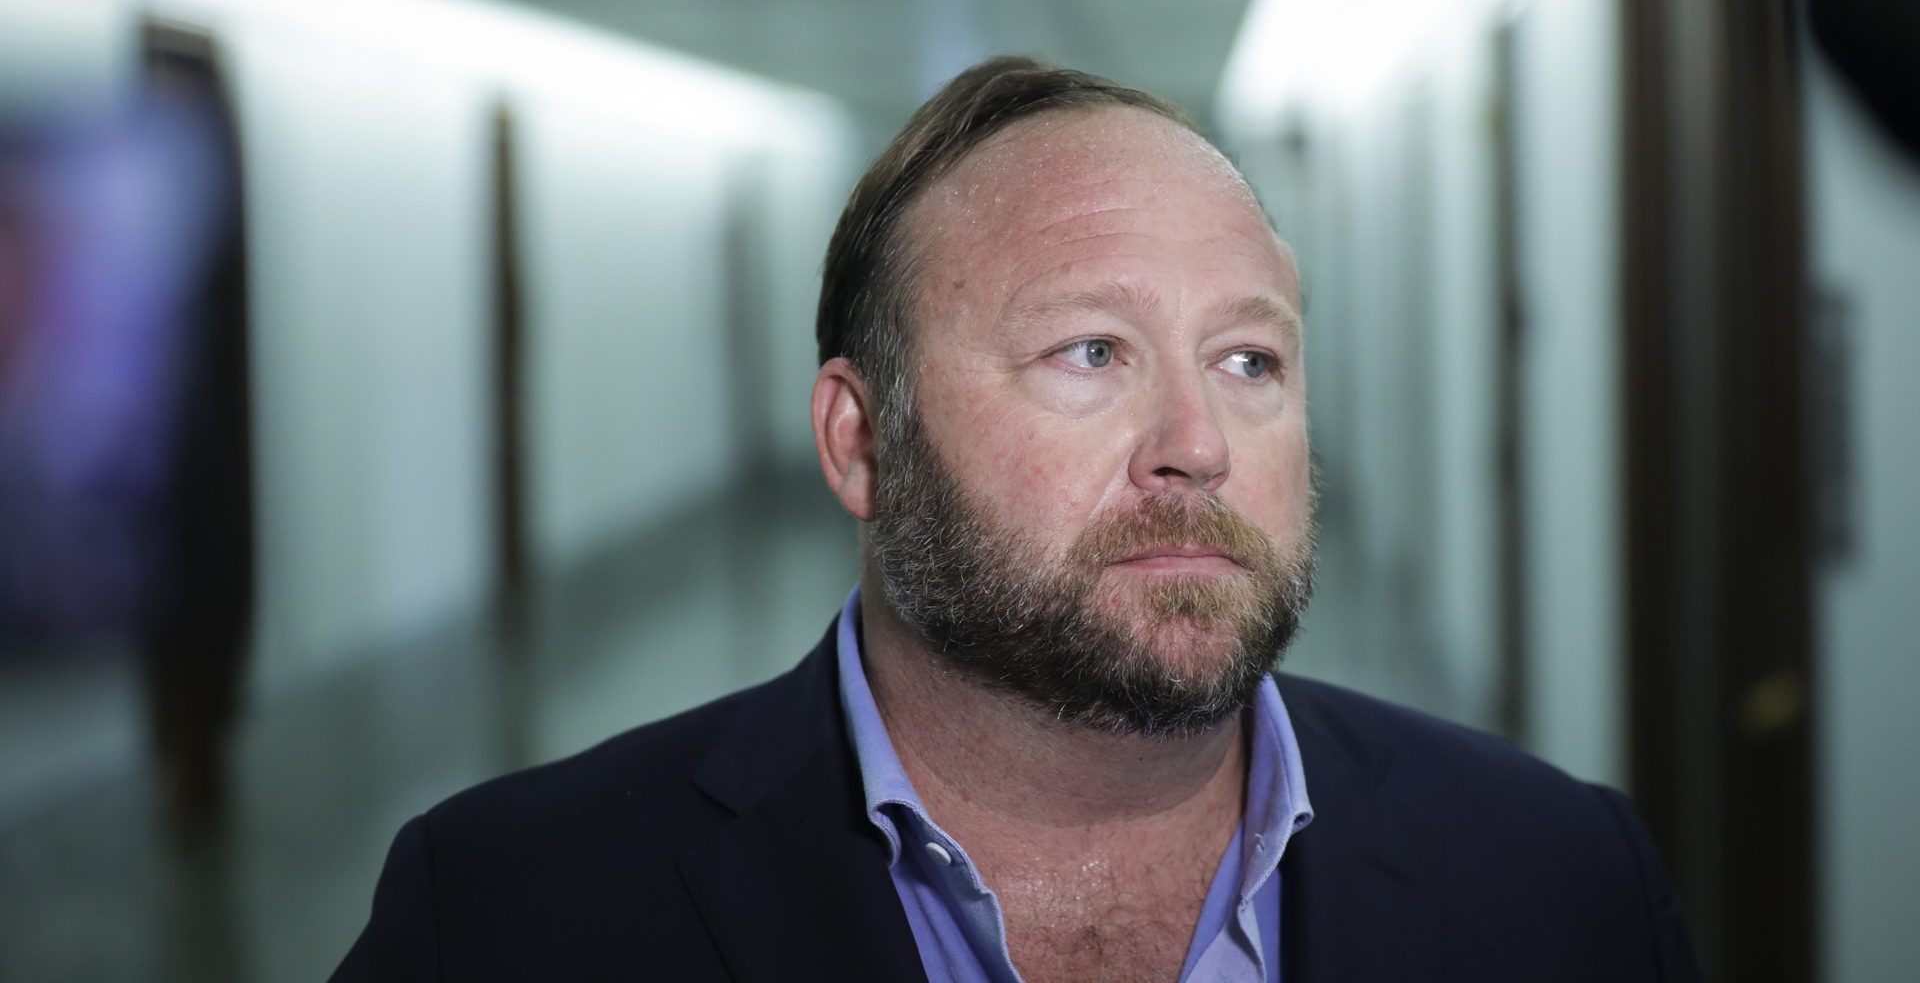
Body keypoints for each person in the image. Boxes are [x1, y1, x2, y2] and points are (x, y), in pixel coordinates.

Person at [331, 58, 1701, 982]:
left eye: (1250, 362)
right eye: (1091, 353)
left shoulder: (1562, 880)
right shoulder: (512, 919)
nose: (1197, 449)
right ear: (860, 441)